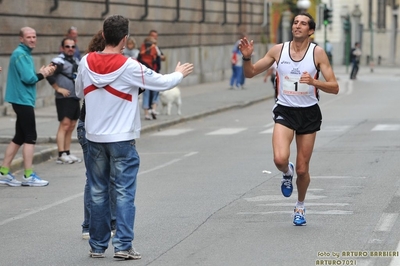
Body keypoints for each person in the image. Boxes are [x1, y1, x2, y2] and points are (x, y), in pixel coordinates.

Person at [75, 15, 194, 259]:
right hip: (121, 138)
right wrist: (179, 73)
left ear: (105, 36)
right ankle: (122, 246)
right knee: (124, 192)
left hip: (95, 136)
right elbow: (161, 82)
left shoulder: (85, 61)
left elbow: (79, 92)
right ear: (125, 39)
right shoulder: (129, 65)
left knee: (97, 191)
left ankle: (97, 246)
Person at [239, 13, 339, 226]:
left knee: (303, 169)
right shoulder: (278, 50)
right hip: (285, 110)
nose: (297, 26)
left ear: (311, 31)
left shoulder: (317, 53)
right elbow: (250, 73)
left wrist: (314, 82)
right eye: (295, 22)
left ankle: (300, 206)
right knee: (279, 159)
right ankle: (286, 172)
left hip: (309, 113)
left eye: (303, 23)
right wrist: (247, 57)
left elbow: (335, 87)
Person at [0, 27, 56, 187]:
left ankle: (3, 172)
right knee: (30, 137)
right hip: (22, 100)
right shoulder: (21, 54)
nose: (32, 39)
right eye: (29, 37)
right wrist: (44, 74)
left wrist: (41, 73)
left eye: (34, 37)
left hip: (21, 99)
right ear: (21, 39)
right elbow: (29, 78)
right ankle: (28, 175)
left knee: (19, 137)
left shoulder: (23, 54)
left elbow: (28, 76)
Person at [77, 29, 116, 240]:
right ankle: (104, 224)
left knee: (94, 179)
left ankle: (89, 225)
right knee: (106, 179)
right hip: (100, 126)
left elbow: (79, 92)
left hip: (87, 123)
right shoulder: (118, 65)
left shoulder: (85, 63)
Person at [47, 38, 81, 164]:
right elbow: (49, 75)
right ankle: (61, 153)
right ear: (62, 48)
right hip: (64, 98)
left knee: (72, 125)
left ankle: (67, 152)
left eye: (72, 46)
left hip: (74, 97)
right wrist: (58, 88)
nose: (70, 48)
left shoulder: (76, 60)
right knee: (65, 124)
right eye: (67, 46)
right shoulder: (58, 61)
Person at [138, 36, 160, 120]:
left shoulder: (142, 50)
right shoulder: (154, 49)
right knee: (156, 91)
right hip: (153, 73)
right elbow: (159, 58)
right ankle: (153, 109)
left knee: (146, 93)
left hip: (144, 75)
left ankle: (147, 113)